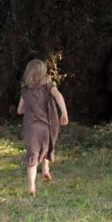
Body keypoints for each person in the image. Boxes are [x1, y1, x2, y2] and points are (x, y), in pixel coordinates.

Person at [16, 58, 69, 195]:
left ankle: (32, 186)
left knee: (32, 155)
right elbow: (59, 96)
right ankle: (46, 169)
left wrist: (27, 108)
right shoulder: (49, 87)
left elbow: (19, 110)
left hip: (32, 127)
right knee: (47, 145)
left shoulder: (25, 91)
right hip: (48, 125)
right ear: (44, 73)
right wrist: (64, 113)